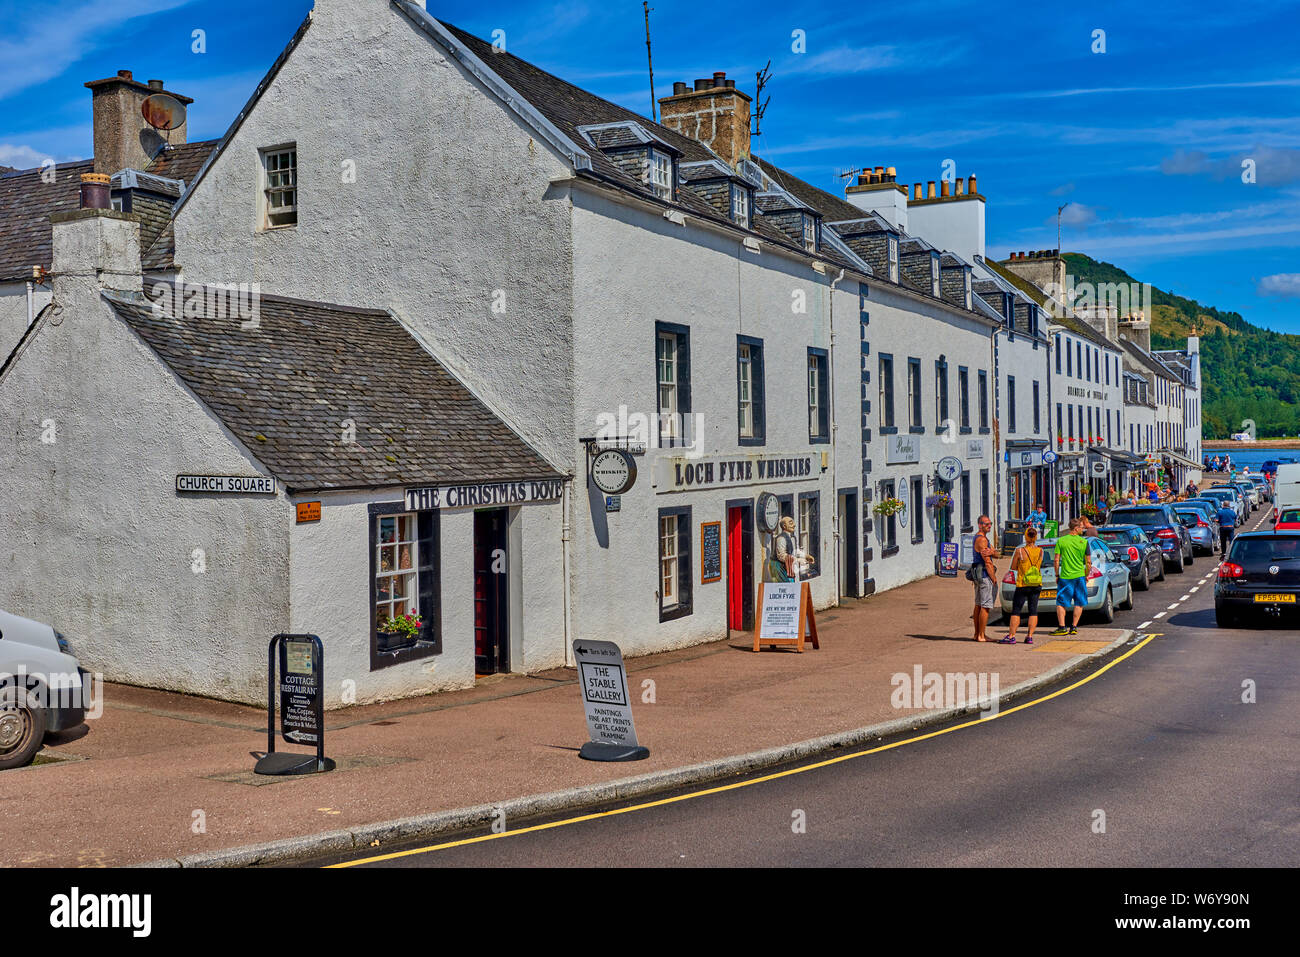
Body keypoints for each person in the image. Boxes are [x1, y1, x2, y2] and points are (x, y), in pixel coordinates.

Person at [1002, 525, 1043, 644]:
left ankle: (1011, 636)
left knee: (1016, 610)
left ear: (1025, 537)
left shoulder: (1020, 551)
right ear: (1035, 537)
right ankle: (1030, 636)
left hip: (1023, 584)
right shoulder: (1040, 551)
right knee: (1033, 610)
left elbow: (1013, 567)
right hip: (1036, 583)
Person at [1052, 517, 1092, 636]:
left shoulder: (1061, 541)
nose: (1082, 529)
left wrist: (1057, 574)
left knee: (1061, 602)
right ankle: (1074, 627)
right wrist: (1086, 575)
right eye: (1080, 527)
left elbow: (1056, 560)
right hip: (1079, 575)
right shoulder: (1084, 542)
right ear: (1075, 529)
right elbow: (1088, 562)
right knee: (1079, 602)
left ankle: (1062, 627)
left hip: (1065, 576)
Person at [970, 514, 997, 642]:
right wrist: (994, 578)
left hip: (977, 574)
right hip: (984, 575)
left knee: (978, 605)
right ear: (980, 525)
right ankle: (981, 635)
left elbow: (996, 553)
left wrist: (993, 552)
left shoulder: (982, 538)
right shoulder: (982, 540)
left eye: (990, 523)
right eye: (986, 524)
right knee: (985, 606)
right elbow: (988, 562)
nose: (989, 526)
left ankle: (977, 634)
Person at [769, 516, 815, 582]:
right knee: (784, 586)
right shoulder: (781, 538)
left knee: (790, 584)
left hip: (787, 565)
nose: (794, 525)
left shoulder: (792, 537)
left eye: (793, 523)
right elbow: (781, 556)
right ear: (784, 526)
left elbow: (796, 551)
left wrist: (806, 556)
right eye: (791, 523)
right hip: (778, 567)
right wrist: (798, 560)